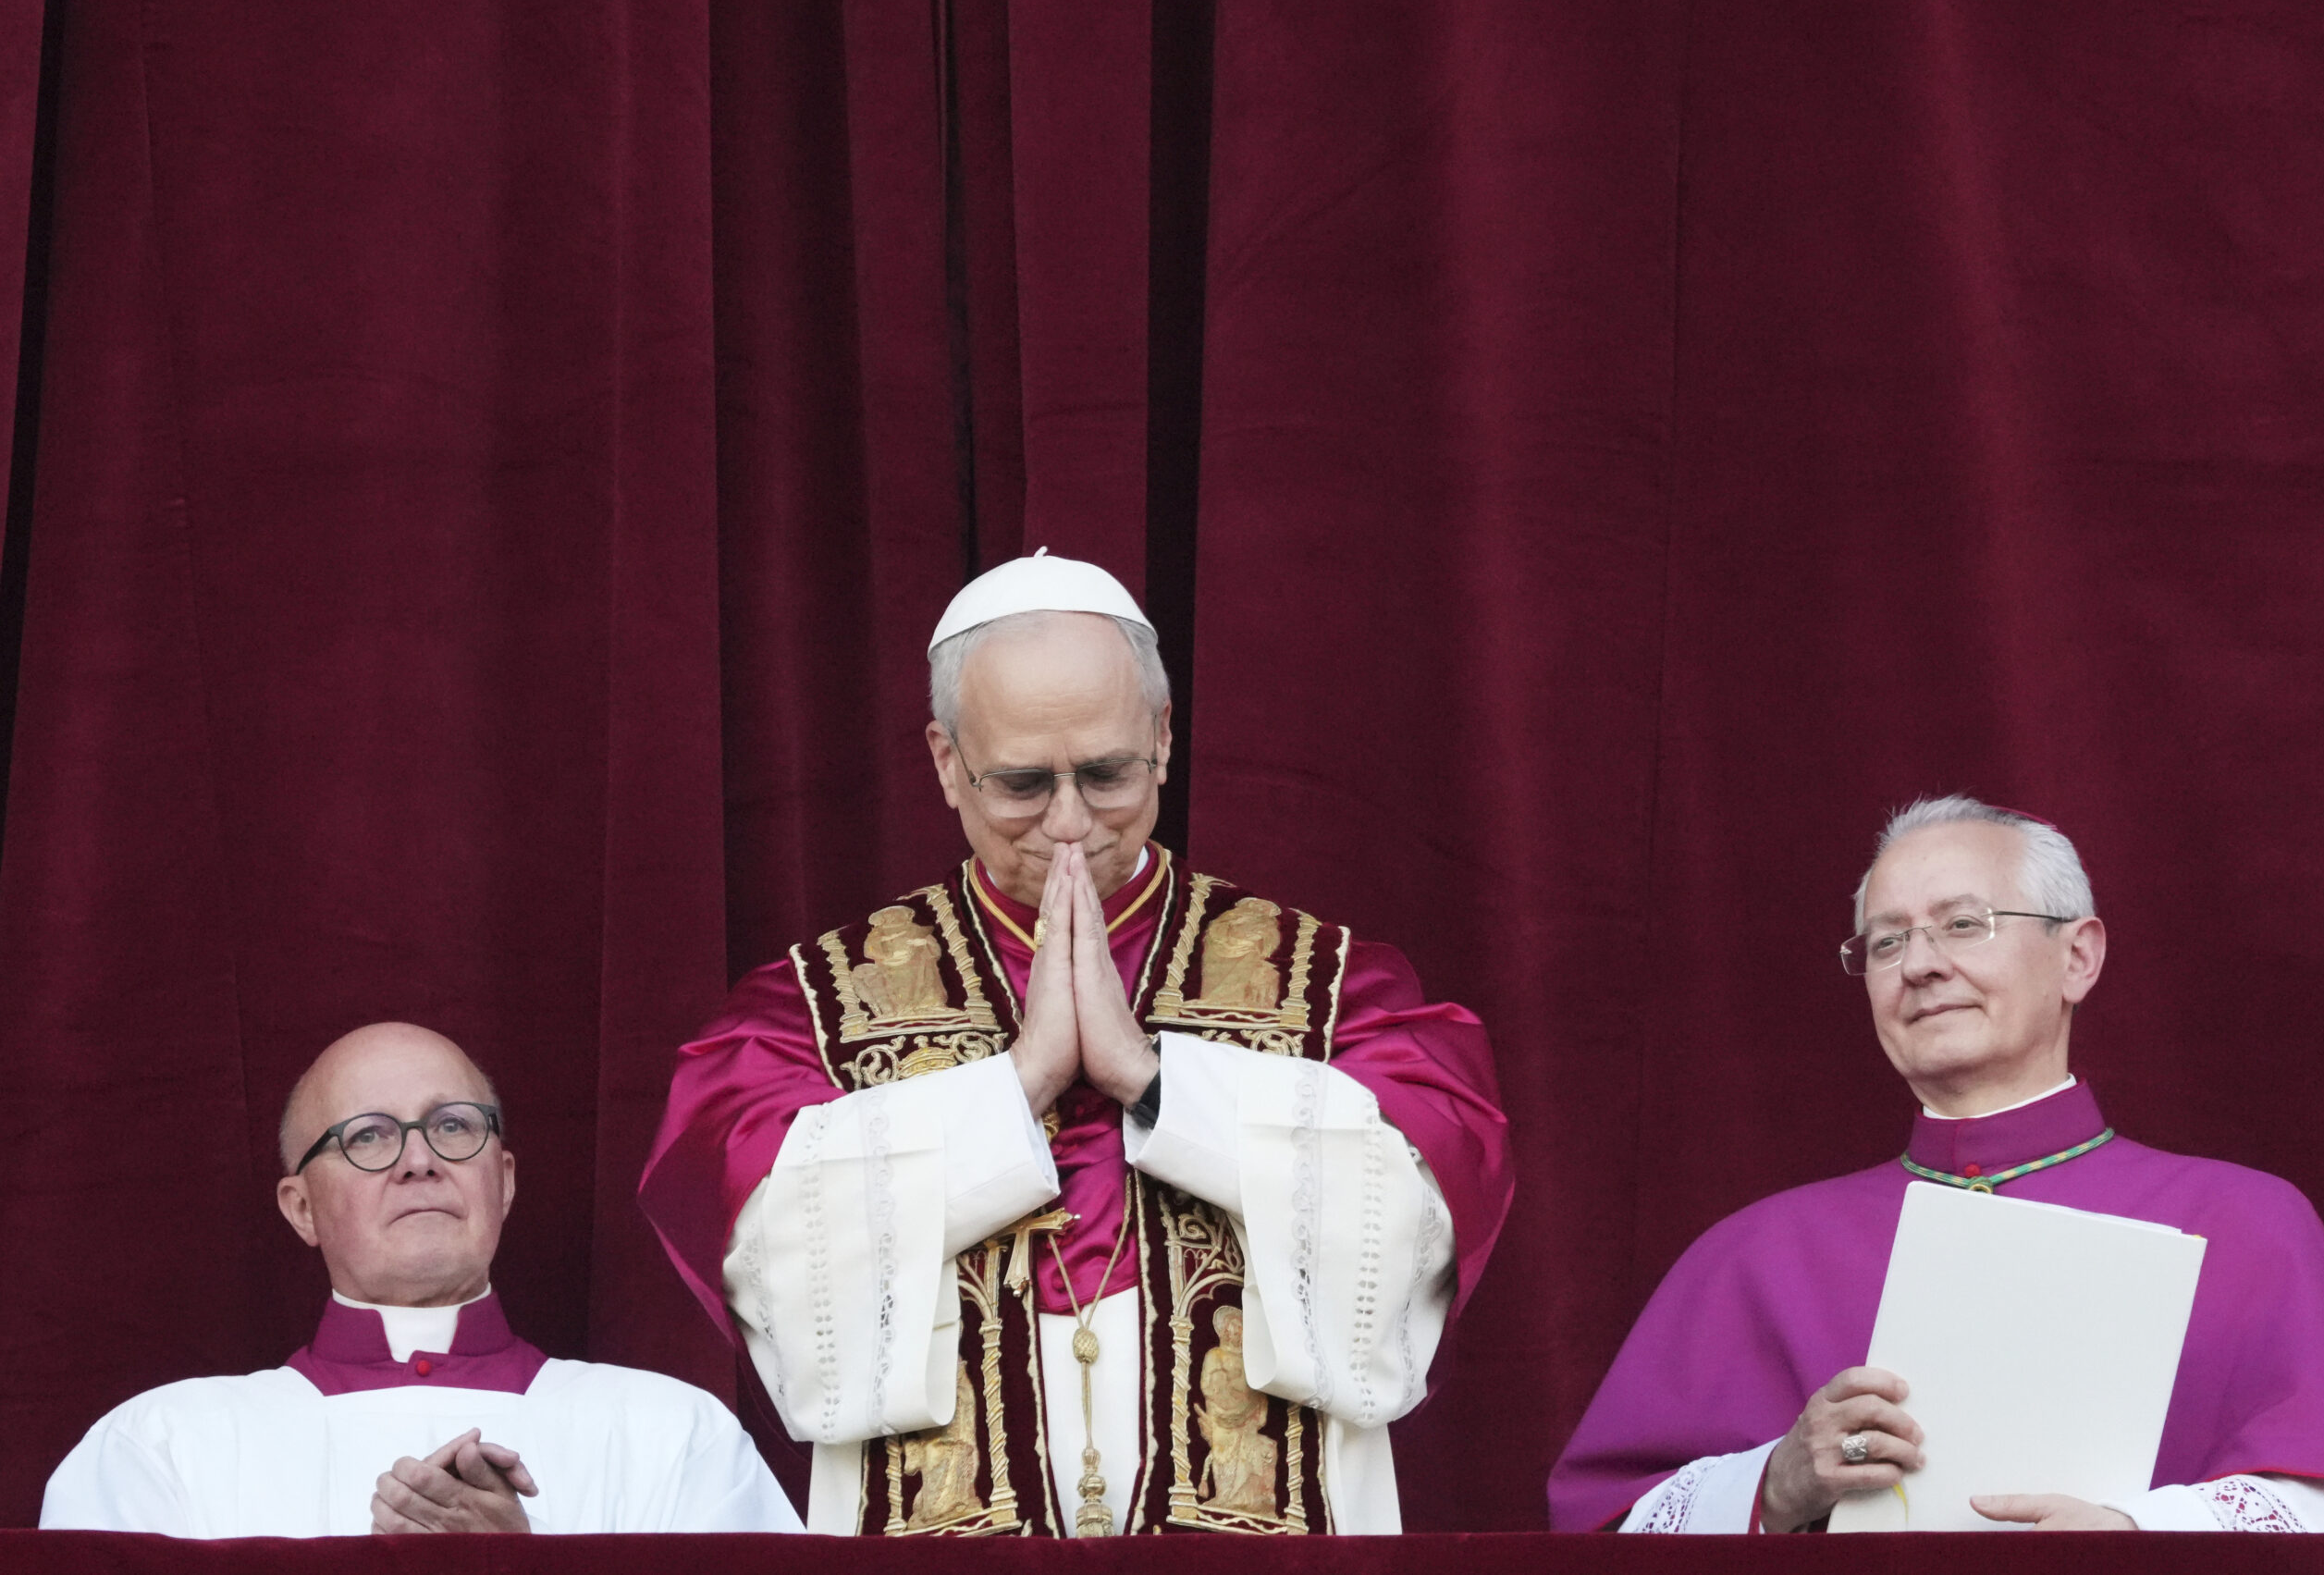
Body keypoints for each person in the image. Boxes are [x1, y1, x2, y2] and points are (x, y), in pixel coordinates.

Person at [640, 551, 1513, 1536]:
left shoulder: (1330, 987)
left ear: (1164, 737)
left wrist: (1152, 1079)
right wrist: (1021, 1081)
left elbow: (1417, 1217)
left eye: (1105, 774)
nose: (1068, 824)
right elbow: (766, 1244)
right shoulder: (812, 1008)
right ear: (943, 760)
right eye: (1020, 783)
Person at [1549, 795, 2324, 1534]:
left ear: (2078, 956)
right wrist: (1774, 1485)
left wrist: (2136, 1536)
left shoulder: (2250, 1227)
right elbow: (1600, 1531)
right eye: (1887, 941)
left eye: (1964, 923)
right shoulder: (1754, 1255)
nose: (1920, 965)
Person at [43, 1022, 803, 1536]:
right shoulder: (161, 1448)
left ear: (502, 1181)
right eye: (367, 1135)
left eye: (453, 1125)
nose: (418, 1160)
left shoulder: (673, 1436)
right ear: (300, 1208)